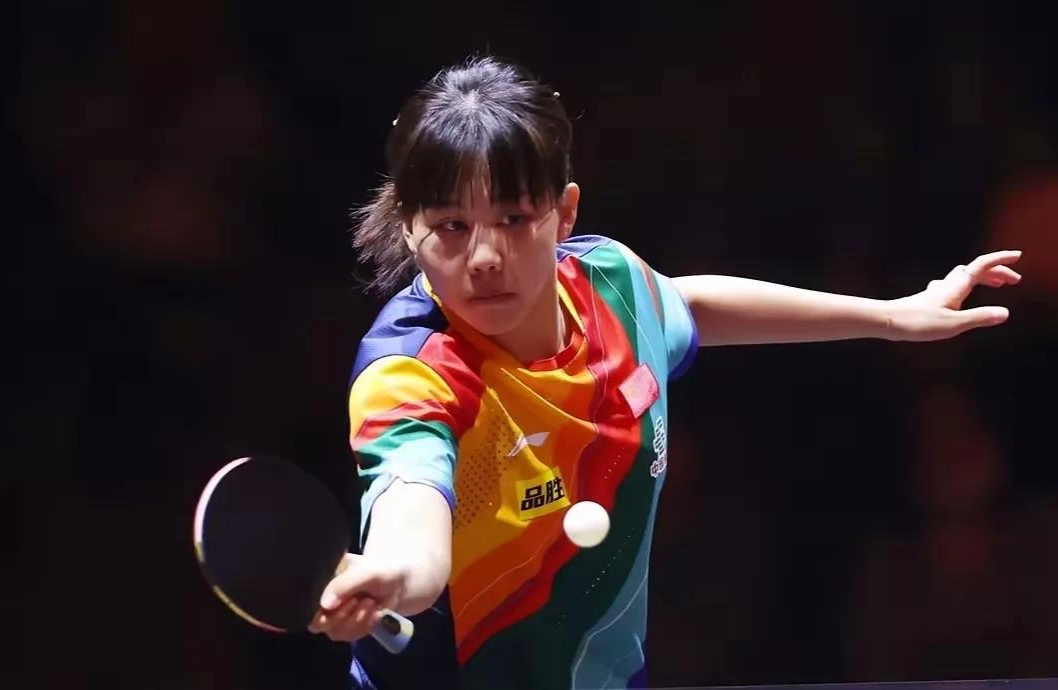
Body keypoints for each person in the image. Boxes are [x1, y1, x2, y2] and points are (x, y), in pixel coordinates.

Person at [307, 55, 1022, 690]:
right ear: (409, 226)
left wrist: (893, 316)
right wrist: (393, 575)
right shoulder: (412, 373)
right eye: (451, 226)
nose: (485, 256)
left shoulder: (613, 288)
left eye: (514, 218)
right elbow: (411, 509)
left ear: (564, 212)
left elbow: (689, 305)